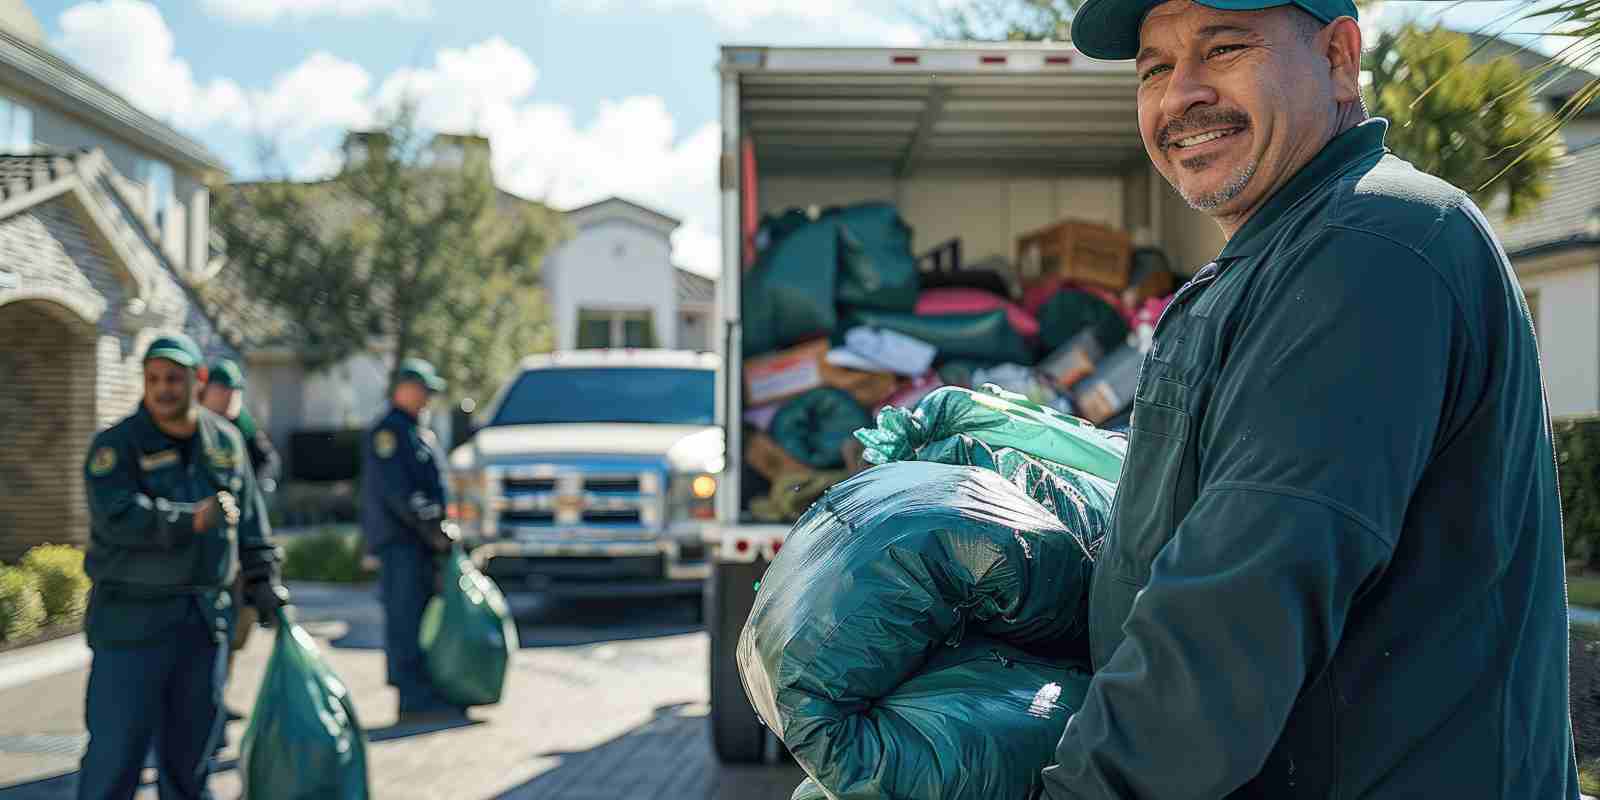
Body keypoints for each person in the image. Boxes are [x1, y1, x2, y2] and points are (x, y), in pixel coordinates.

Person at [1040, 1, 1578, 797]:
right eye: (1155, 67)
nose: (1180, 95)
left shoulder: (1370, 244)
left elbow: (1234, 612)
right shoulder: (1276, 254)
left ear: (1337, 58)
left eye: (1222, 48)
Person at [78, 334, 287, 800]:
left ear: (198, 381)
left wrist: (264, 577)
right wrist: (190, 518)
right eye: (153, 379)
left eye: (174, 378)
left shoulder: (226, 442)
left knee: (191, 763)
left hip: (201, 624)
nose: (163, 389)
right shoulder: (116, 446)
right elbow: (116, 518)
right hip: (132, 626)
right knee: (115, 761)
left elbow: (251, 523)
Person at [361, 357, 462, 724]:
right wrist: (430, 526)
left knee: (421, 620)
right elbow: (399, 493)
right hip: (401, 543)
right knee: (404, 620)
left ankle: (425, 689)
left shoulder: (417, 431)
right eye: (423, 391)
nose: (428, 399)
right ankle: (411, 697)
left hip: (420, 543)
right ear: (403, 389)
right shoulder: (388, 433)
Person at [200, 358, 282, 723]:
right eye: (224, 390)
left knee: (238, 626)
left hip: (242, 547)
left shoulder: (243, 427)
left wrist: (257, 491)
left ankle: (219, 693)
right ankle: (204, 701)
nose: (230, 397)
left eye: (236, 391)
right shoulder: (196, 427)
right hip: (208, 549)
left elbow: (267, 461)